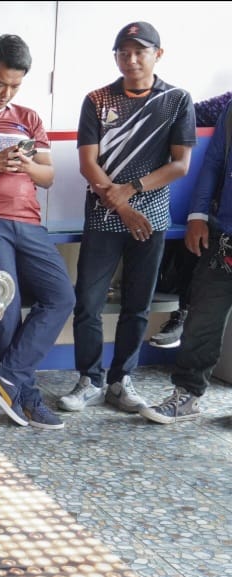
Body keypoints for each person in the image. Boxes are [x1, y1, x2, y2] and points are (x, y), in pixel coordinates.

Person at [57, 22, 195, 415]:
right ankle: (89, 379)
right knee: (88, 302)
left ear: (157, 54)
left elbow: (180, 164)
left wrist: (131, 189)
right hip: (104, 216)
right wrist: (120, 204)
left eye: (139, 51)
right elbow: (88, 163)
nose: (131, 59)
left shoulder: (176, 100)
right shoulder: (97, 99)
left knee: (137, 304)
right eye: (123, 52)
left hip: (151, 218)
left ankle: (121, 381)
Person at [0, 36, 74, 430]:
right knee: (4, 308)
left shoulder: (28, 118)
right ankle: (26, 398)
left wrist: (26, 165)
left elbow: (48, 176)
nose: (6, 93)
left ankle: (8, 377)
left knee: (61, 296)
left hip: (29, 223)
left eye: (15, 86)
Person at [140, 101, 232, 424]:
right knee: (202, 321)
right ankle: (187, 396)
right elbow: (213, 163)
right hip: (223, 239)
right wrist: (197, 215)